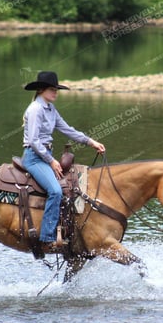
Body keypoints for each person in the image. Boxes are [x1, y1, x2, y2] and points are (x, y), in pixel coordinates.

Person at [22, 71, 106, 253]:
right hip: (35, 158)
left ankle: (68, 231)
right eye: (53, 89)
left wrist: (91, 142)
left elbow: (68, 130)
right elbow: (35, 142)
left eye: (56, 89)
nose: (56, 93)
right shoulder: (35, 109)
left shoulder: (50, 109)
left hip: (45, 156)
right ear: (42, 90)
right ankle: (46, 236)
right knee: (55, 190)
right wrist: (52, 161)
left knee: (72, 187)